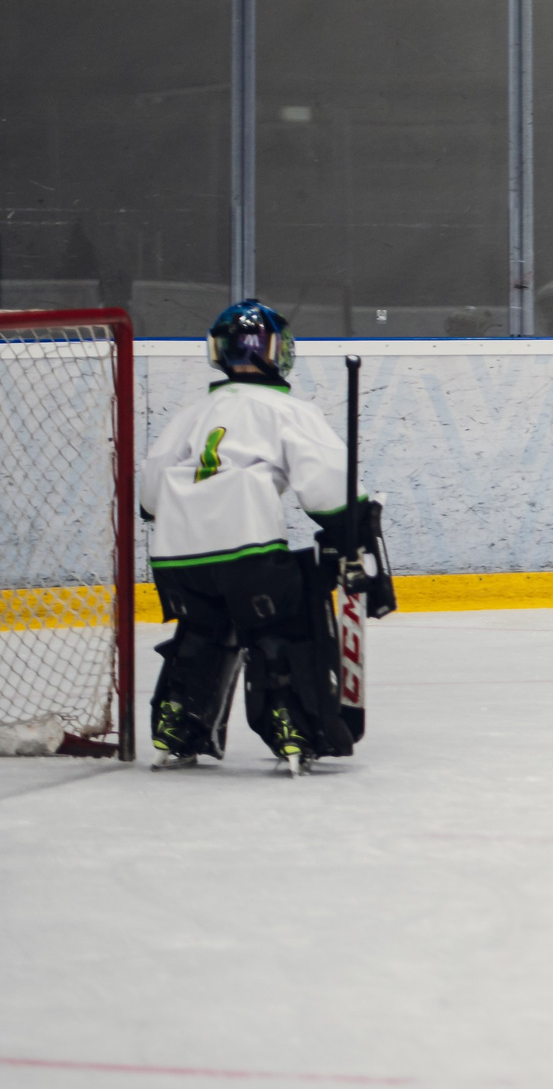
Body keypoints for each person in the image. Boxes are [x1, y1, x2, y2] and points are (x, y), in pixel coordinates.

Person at [138, 302, 379, 774]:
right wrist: (352, 529)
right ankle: (291, 722)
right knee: (281, 623)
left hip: (175, 560)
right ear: (281, 353)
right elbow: (331, 492)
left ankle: (177, 721)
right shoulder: (287, 410)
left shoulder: (190, 415)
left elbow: (148, 498)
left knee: (203, 628)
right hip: (247, 554)